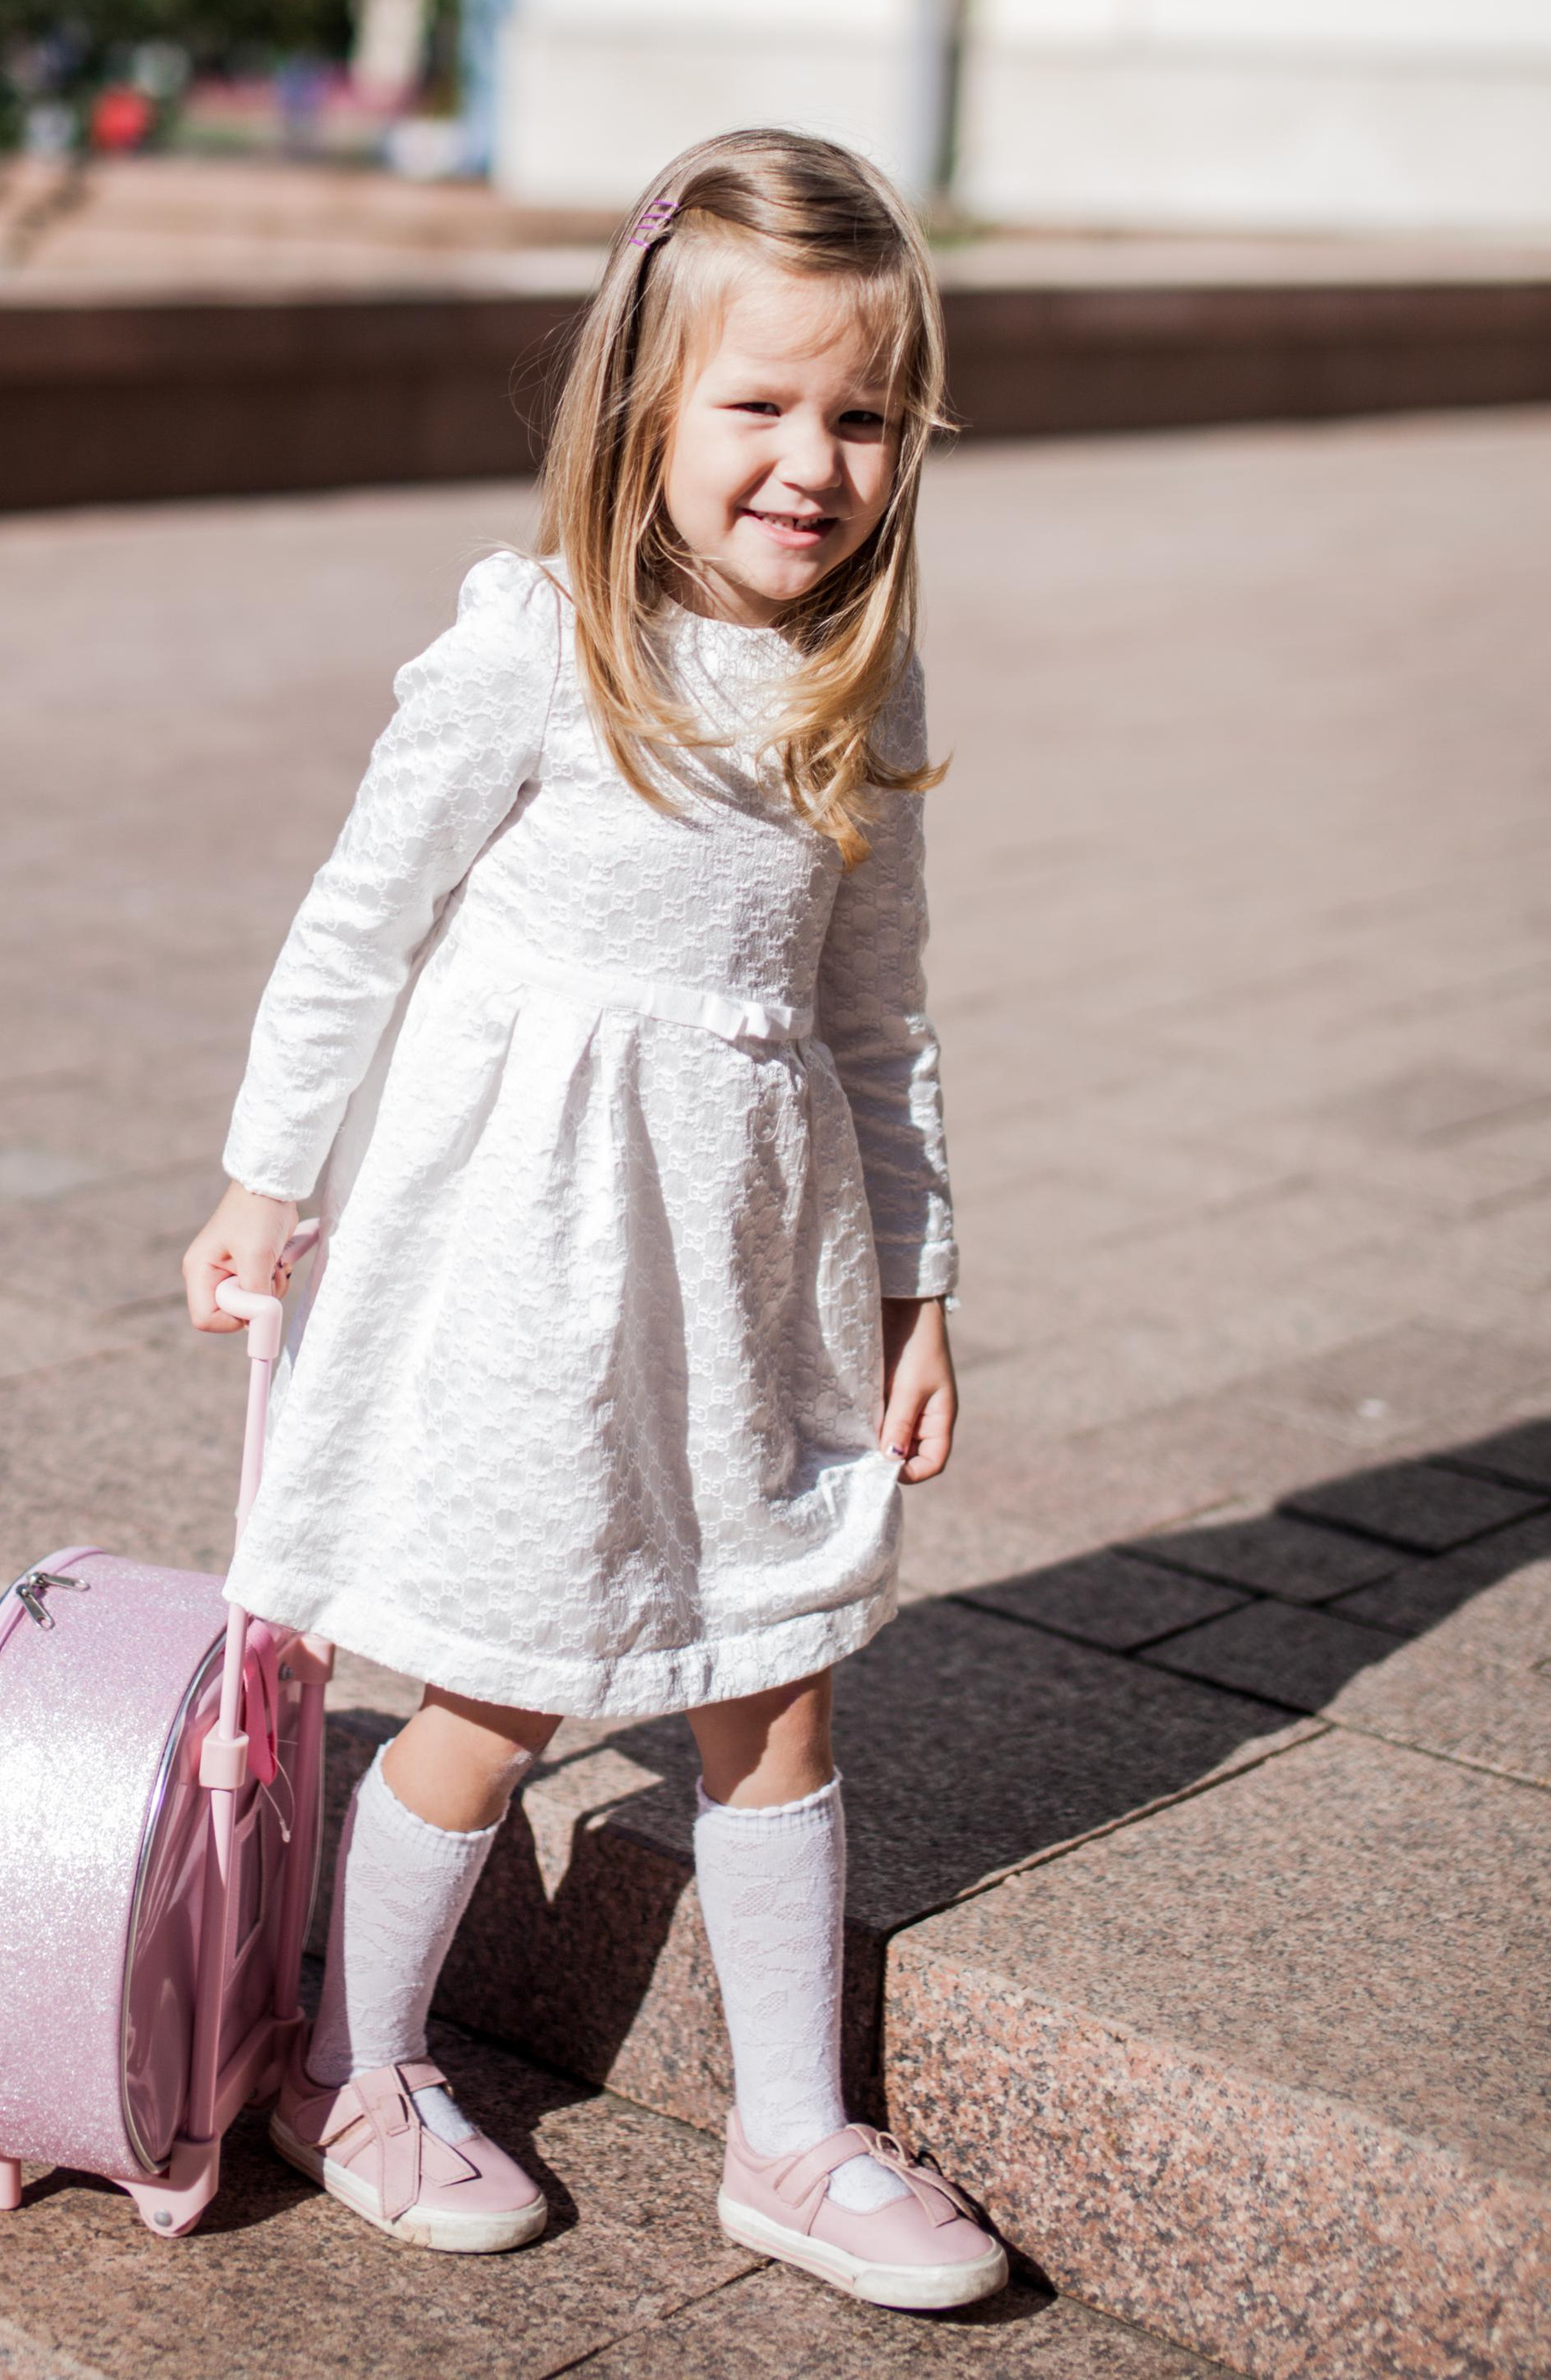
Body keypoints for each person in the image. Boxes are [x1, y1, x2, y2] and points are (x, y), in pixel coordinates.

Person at [180, 127, 1005, 2314]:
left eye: (862, 416)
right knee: (497, 1685)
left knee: (775, 1679)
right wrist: (266, 1177)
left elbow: (875, 1014)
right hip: (533, 1268)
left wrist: (914, 1281)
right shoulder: (538, 646)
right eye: (760, 404)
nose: (811, 463)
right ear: (645, 403)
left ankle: (791, 2139)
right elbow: (356, 927)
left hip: (753, 1275)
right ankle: (350, 2071)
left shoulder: (861, 678)